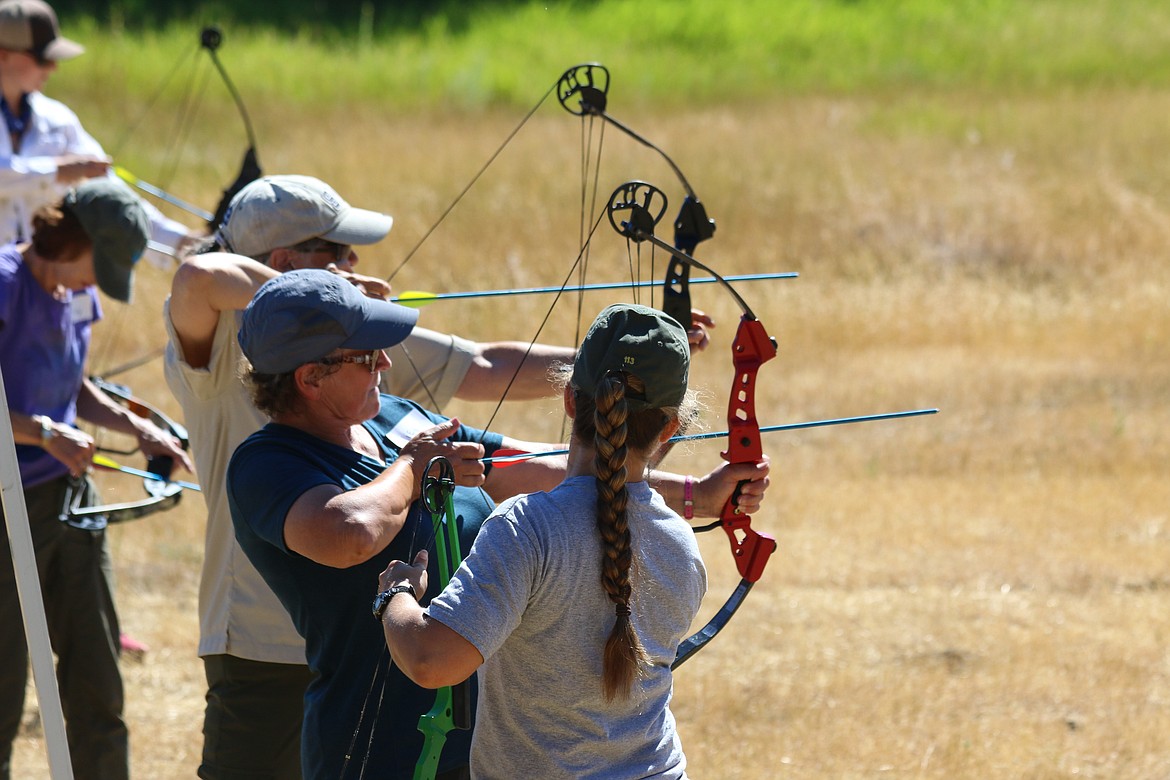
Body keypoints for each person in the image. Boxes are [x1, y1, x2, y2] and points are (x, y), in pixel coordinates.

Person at [224, 271, 767, 779]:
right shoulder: (267, 464)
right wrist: (412, 470)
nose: (386, 364)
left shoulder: (398, 416)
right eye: (365, 356)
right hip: (385, 741)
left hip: (494, 736)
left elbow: (528, 467)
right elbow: (350, 533)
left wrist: (696, 495)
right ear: (310, 379)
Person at [380, 303, 727, 778]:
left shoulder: (527, 529)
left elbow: (430, 659)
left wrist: (395, 594)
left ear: (569, 399)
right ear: (670, 428)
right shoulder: (680, 546)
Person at [0, 177, 193, 780]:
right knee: (4, 682)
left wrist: (139, 428)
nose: (95, 285)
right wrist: (42, 434)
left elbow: (73, 384)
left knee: (96, 676)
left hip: (69, 503)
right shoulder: (6, 285)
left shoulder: (74, 296)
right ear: (71, 238)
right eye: (96, 267)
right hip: (8, 509)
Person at [0, 0, 192, 260]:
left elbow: (109, 190)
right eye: (42, 58)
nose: (53, 67)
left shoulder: (58, 118)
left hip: (41, 281)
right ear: (3, 54)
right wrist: (60, 170)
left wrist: (180, 242)